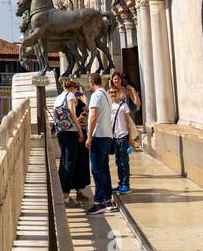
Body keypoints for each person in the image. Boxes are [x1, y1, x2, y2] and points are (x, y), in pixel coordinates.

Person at [51, 78, 85, 205]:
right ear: (73, 88)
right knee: (70, 162)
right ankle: (66, 196)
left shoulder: (58, 97)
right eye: (76, 90)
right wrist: (79, 131)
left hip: (60, 131)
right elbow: (72, 112)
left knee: (64, 161)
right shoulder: (70, 95)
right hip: (70, 132)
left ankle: (60, 192)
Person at [86, 71, 114, 213]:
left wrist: (89, 136)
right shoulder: (107, 95)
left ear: (91, 83)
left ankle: (98, 202)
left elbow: (93, 117)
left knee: (96, 169)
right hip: (107, 135)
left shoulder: (96, 95)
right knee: (104, 168)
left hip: (98, 135)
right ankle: (107, 199)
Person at [107, 70, 139, 195]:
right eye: (111, 92)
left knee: (124, 161)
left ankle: (126, 184)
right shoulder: (110, 106)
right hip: (114, 137)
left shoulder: (123, 106)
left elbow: (128, 123)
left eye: (115, 92)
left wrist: (130, 139)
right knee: (117, 161)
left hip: (123, 136)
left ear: (119, 94)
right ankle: (120, 183)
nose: (113, 94)